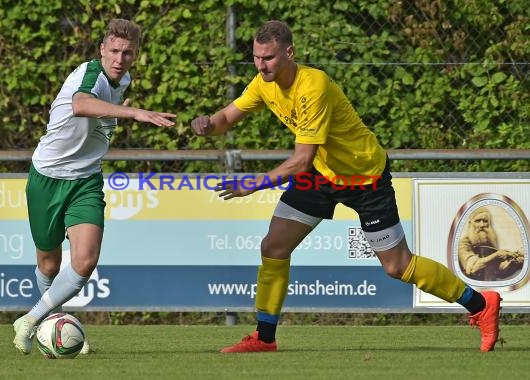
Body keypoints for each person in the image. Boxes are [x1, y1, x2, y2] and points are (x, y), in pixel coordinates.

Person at [190, 20, 501, 353]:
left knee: (398, 266)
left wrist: (254, 183)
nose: (261, 65)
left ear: (289, 52)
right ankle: (264, 338)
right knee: (273, 247)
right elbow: (226, 117)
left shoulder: (312, 85)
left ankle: (481, 305)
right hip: (323, 176)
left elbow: (300, 161)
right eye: (255, 57)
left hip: (364, 178)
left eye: (268, 58)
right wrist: (206, 125)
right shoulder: (262, 83)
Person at [13, 18, 176, 355]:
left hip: (86, 179)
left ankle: (29, 320)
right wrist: (132, 114)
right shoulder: (89, 75)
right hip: (48, 176)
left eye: (128, 53)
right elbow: (80, 104)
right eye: (114, 51)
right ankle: (51, 322)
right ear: (102, 49)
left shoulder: (124, 79)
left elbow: (97, 118)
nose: (120, 59)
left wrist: (118, 113)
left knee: (84, 261)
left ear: (135, 55)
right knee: (49, 265)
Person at [458, 207, 523, 281]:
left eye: (485, 221)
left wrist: (513, 262)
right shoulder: (463, 244)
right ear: (470, 223)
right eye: (478, 221)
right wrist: (496, 255)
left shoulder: (489, 243)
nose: (482, 225)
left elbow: (498, 271)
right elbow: (472, 269)